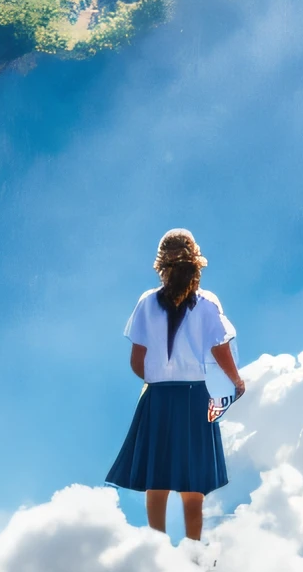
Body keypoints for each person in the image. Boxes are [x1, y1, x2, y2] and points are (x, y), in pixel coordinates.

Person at [105, 227, 245, 541]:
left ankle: (156, 552)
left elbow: (136, 359)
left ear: (161, 267)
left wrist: (156, 380)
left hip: (157, 398)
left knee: (157, 479)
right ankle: (194, 554)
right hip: (196, 397)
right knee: (193, 483)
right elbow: (220, 347)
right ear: (196, 264)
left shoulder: (146, 302)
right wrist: (236, 380)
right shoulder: (207, 302)